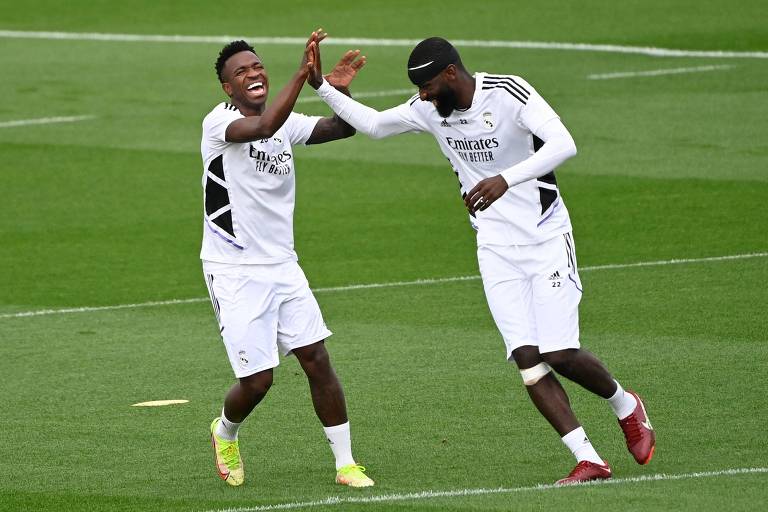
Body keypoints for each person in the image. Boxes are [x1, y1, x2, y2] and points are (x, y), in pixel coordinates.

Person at [308, 37, 655, 485]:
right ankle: (589, 458)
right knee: (529, 360)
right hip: (494, 247)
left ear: (451, 73)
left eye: (429, 86)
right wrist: (323, 87)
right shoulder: (430, 110)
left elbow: (563, 144)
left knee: (559, 351)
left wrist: (505, 179)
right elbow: (374, 125)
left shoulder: (509, 92)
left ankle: (626, 407)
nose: (424, 96)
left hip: (546, 237)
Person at [199, 30, 373, 488]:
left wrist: (334, 90)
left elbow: (343, 128)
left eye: (256, 67)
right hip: (234, 269)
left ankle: (345, 464)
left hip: (283, 265)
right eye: (241, 73)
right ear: (228, 89)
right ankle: (225, 431)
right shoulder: (218, 124)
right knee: (258, 382)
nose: (253, 74)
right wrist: (303, 74)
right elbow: (262, 128)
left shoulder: (286, 121)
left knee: (316, 358)